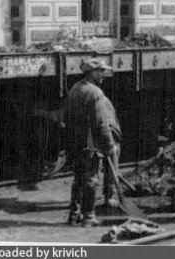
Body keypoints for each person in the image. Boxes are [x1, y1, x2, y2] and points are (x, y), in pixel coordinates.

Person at [63, 57, 118, 227]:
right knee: (92, 179)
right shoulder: (95, 93)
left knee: (78, 178)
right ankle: (88, 216)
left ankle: (74, 214)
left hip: (76, 142)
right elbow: (101, 123)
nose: (104, 75)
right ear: (92, 72)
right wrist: (109, 146)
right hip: (90, 143)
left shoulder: (74, 89)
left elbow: (67, 116)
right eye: (101, 71)